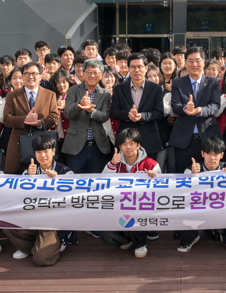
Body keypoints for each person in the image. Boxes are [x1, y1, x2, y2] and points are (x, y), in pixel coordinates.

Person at [6, 134, 70, 266]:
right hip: (32, 217)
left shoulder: (65, 172)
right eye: (38, 152)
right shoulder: (30, 171)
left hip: (52, 223)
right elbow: (18, 196)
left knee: (41, 259)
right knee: (4, 221)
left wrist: (59, 181)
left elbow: (73, 198)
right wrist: (29, 178)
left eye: (46, 151)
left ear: (53, 151)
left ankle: (50, 244)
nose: (42, 156)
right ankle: (30, 247)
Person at [100, 128, 161, 258]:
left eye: (132, 143)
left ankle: (140, 243)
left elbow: (161, 191)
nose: (128, 147)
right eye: (124, 144)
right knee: (105, 233)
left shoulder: (151, 164)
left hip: (141, 208)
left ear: (138, 145)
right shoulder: (113, 163)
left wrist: (154, 179)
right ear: (120, 146)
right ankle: (126, 240)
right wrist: (111, 165)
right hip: (117, 207)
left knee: (133, 216)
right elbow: (102, 182)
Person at [179, 136, 226, 252]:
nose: (212, 158)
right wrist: (192, 176)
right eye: (208, 153)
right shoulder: (191, 169)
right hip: (198, 207)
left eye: (216, 154)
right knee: (184, 209)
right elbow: (182, 193)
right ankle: (191, 237)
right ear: (202, 154)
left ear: (221, 155)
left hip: (221, 207)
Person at [170, 47, 222, 173]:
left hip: (207, 137)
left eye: (197, 61)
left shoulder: (213, 82)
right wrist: (184, 108)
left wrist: (200, 110)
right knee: (183, 173)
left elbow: (215, 105)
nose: (194, 64)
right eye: (191, 61)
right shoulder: (178, 82)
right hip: (184, 139)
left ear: (203, 62)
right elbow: (175, 105)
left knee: (208, 174)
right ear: (185, 62)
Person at [2, 62, 59, 174]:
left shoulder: (50, 94)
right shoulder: (12, 96)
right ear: (22, 77)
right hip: (18, 144)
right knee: (16, 178)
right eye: (26, 74)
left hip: (42, 143)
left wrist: (40, 122)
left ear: (40, 76)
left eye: (34, 73)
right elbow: (7, 119)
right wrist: (25, 119)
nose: (30, 76)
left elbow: (54, 118)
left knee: (43, 177)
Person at [110, 53, 165, 161]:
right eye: (133, 67)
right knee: (124, 173)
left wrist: (142, 116)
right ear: (128, 68)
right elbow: (114, 112)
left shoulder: (156, 88)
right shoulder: (119, 88)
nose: (136, 70)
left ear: (145, 68)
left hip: (149, 138)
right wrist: (127, 115)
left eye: (139, 66)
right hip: (125, 140)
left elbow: (159, 112)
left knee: (148, 173)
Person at [62, 59, 112, 173]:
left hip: (98, 147)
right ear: (83, 73)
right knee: (74, 182)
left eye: (95, 72)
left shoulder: (105, 94)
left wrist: (91, 111)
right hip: (76, 146)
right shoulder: (72, 90)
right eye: (88, 72)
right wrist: (80, 104)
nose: (92, 75)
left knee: (96, 183)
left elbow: (105, 116)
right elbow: (68, 114)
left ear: (101, 75)